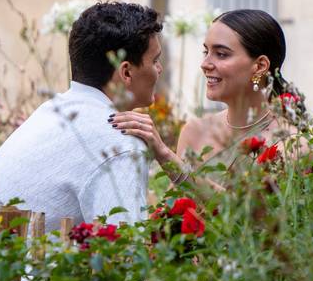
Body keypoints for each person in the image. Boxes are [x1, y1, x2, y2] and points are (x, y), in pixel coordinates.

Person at [0, 2, 163, 232]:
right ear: (126, 72)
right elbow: (125, 254)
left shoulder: (53, 110)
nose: (159, 69)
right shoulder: (121, 142)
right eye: (155, 60)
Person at [111, 9, 296, 179]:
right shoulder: (195, 132)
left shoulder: (290, 145)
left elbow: (248, 214)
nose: (205, 63)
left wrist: (165, 154)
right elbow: (173, 210)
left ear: (260, 66)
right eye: (206, 51)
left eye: (221, 54)